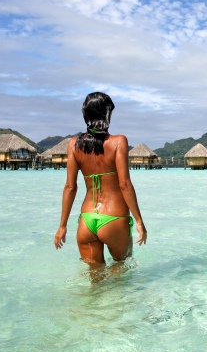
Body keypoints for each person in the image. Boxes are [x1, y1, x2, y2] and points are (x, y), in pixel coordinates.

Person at [54, 92, 147, 267]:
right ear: (107, 113)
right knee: (121, 269)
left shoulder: (73, 145)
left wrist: (62, 226)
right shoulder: (119, 142)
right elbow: (124, 184)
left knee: (94, 280)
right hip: (114, 217)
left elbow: (69, 187)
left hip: (87, 220)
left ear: (86, 115)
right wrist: (139, 221)